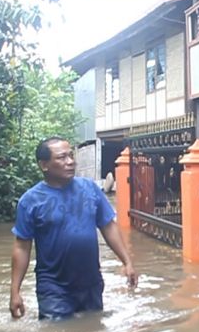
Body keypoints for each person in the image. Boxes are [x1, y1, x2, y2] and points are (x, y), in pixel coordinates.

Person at [9, 137, 138, 319]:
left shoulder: (90, 189)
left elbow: (108, 227)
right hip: (53, 286)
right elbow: (22, 247)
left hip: (91, 282)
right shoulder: (30, 201)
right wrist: (15, 291)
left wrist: (127, 262)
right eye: (62, 158)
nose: (70, 162)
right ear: (44, 165)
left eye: (71, 156)